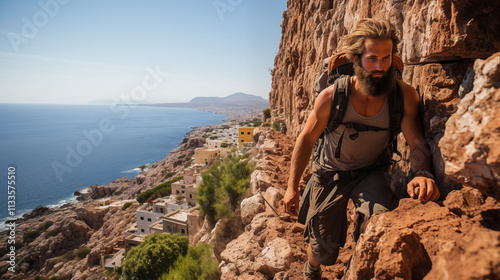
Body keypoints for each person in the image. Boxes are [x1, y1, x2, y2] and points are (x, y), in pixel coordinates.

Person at [283, 18, 440, 279]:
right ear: (356, 59)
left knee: (379, 224)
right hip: (330, 173)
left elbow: (417, 144)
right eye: (372, 59)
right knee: (322, 250)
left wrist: (423, 173)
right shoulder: (331, 97)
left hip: (372, 172)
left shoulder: (404, 96)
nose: (380, 67)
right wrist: (291, 187)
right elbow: (306, 139)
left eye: (387, 58)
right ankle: (312, 269)